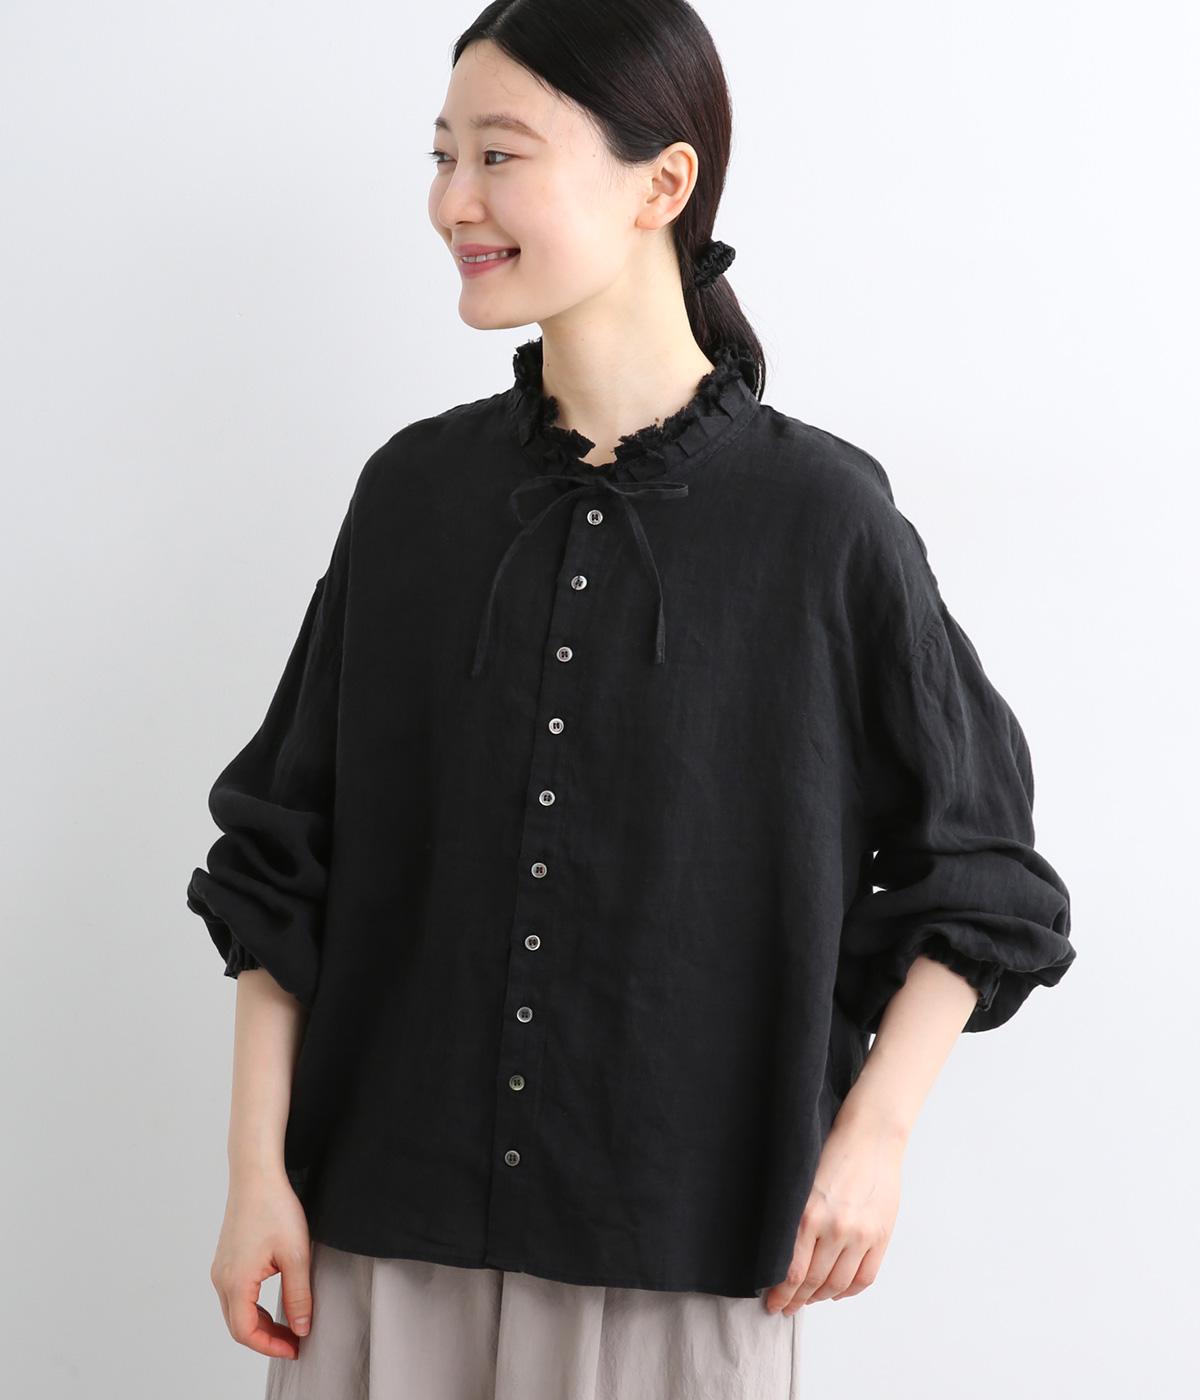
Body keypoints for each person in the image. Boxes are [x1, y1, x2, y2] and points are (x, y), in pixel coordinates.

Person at [188, 4, 1076, 1397]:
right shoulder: (413, 496)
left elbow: (982, 870)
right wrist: (256, 1174)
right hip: (378, 1239)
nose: (453, 202)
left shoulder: (820, 519)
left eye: (498, 155)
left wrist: (874, 1139)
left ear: (662, 183)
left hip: (684, 1246)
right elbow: (283, 858)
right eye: (441, 156)